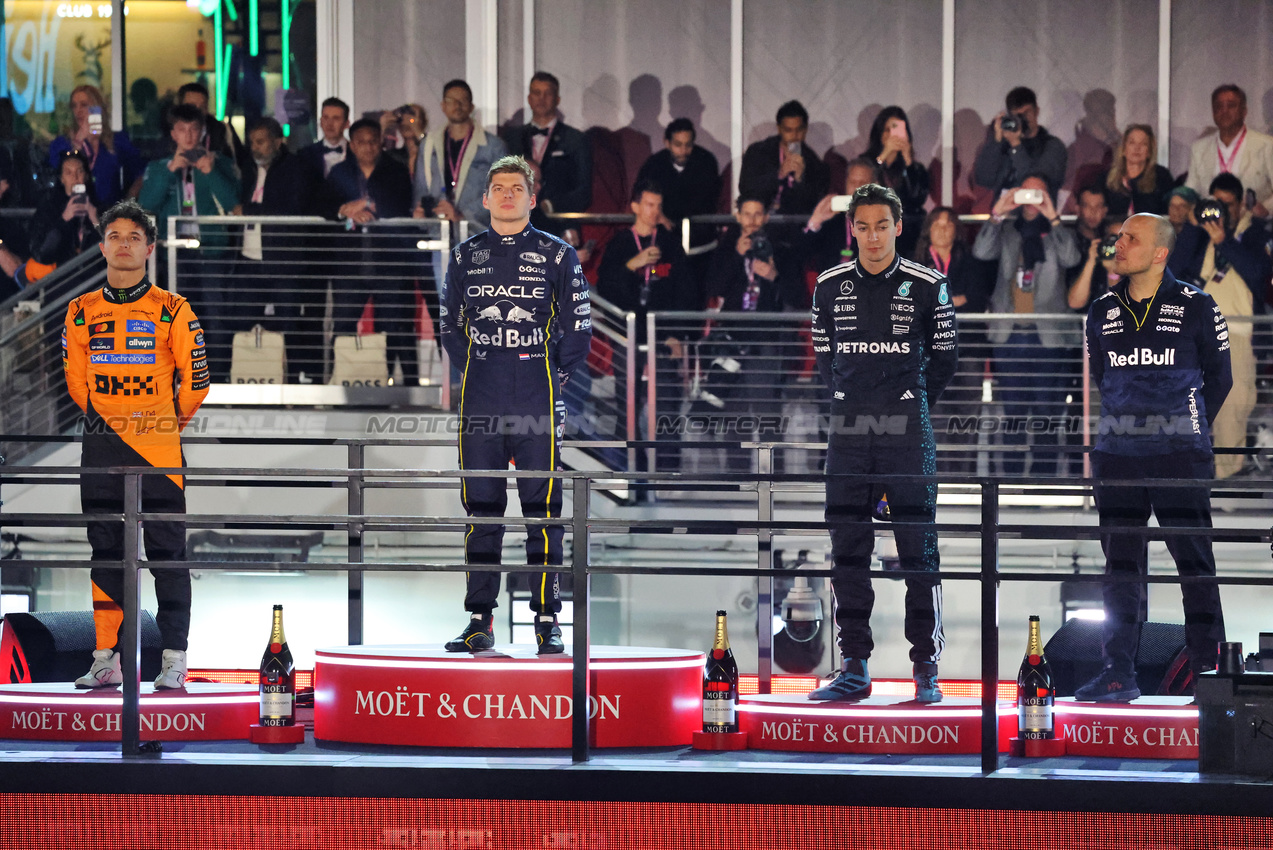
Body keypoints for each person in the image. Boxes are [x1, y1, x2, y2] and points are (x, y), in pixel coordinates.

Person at [808, 183, 957, 703]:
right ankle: (854, 666)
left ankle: (926, 670)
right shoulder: (828, 286)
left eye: (882, 226)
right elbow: (825, 362)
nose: (872, 237)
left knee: (920, 554)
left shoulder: (927, 284)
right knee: (847, 553)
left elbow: (945, 362)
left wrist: (908, 405)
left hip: (907, 438)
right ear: (853, 230)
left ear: (898, 227)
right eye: (863, 227)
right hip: (848, 437)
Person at [1075, 213, 1232, 702]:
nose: (1118, 244)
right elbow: (1104, 377)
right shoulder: (1101, 309)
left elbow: (1220, 379)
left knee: (1195, 567)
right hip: (1117, 457)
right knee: (1119, 570)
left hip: (1179, 456)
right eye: (1119, 237)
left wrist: (1181, 425)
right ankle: (1118, 673)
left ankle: (1210, 676)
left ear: (1160, 252)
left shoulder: (1198, 304)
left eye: (1130, 238)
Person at [438, 155, 590, 654]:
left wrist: (549, 377)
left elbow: (579, 330)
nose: (506, 195)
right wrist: (477, 368)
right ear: (484, 199)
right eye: (498, 188)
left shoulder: (558, 254)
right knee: (481, 510)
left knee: (543, 511)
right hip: (480, 393)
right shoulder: (463, 256)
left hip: (537, 394)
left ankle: (547, 620)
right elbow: (449, 327)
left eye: (515, 188)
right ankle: (479, 620)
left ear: (531, 197)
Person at [62, 199, 211, 689]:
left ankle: (174, 659)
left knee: (168, 553)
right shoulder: (80, 311)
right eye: (114, 237)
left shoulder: (174, 308)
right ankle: (105, 659)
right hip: (101, 445)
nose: (123, 245)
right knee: (105, 552)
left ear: (149, 247)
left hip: (160, 447)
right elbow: (77, 385)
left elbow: (197, 382)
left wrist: (161, 423)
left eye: (133, 237)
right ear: (101, 246)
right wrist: (114, 421)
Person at [973, 174, 1082, 476]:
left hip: (1047, 336)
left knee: (1048, 412)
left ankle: (1043, 481)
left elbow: (1072, 258)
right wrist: (998, 212)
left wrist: (1054, 218)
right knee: (1013, 414)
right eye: (1026, 194)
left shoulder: (1058, 232)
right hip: (1009, 335)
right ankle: (1009, 481)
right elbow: (981, 251)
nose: (1032, 201)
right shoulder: (1006, 230)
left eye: (1039, 195)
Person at [138, 103, 239, 381]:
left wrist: (211, 172)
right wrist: (172, 169)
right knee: (176, 321)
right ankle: (177, 380)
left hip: (212, 251)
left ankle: (217, 382)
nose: (189, 136)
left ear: (203, 131)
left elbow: (234, 204)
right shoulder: (159, 167)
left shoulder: (220, 163)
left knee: (215, 319)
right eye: (182, 130)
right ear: (173, 134)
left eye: (194, 129)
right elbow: (146, 206)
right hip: (173, 253)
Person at [598, 181, 694, 472]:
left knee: (667, 400)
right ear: (636, 207)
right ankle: (628, 468)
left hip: (664, 337)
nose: (654, 212)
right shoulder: (620, 243)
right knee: (627, 402)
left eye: (658, 206)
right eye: (649, 205)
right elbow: (606, 288)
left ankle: (668, 469)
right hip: (628, 336)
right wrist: (632, 264)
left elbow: (686, 292)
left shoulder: (669, 243)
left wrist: (677, 335)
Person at [322, 117, 417, 385]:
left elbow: (401, 205)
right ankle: (340, 381)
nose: (368, 147)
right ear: (351, 145)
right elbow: (323, 206)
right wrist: (344, 209)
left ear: (381, 143)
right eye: (361, 142)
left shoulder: (396, 171)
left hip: (389, 261)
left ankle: (401, 384)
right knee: (342, 324)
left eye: (373, 141)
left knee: (395, 326)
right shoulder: (339, 172)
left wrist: (370, 206)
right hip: (349, 263)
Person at [237, 117, 322, 381]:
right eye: (252, 142)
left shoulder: (296, 167)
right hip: (250, 258)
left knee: (290, 322)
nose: (255, 147)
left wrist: (248, 211)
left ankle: (297, 379)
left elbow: (291, 206)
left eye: (261, 142)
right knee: (245, 320)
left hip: (284, 260)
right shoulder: (248, 169)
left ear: (277, 141)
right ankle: (251, 376)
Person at [1198, 173, 1271, 478]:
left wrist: (1224, 241)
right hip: (1193, 332)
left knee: (1232, 408)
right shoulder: (1199, 231)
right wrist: (1193, 227)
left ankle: (1226, 493)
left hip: (1236, 332)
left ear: (1242, 204)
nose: (1223, 212)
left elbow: (1259, 276)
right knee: (1189, 411)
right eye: (1217, 205)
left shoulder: (1255, 235)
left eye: (1228, 205)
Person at [914, 206, 997, 475]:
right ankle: (939, 478)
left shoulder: (970, 260)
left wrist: (938, 303)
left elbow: (976, 298)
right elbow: (914, 305)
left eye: (948, 224)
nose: (942, 229)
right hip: (930, 352)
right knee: (935, 415)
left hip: (968, 349)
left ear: (956, 230)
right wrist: (954, 300)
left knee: (967, 417)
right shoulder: (915, 263)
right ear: (928, 230)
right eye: (936, 224)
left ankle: (965, 477)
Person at [633, 117, 722, 295]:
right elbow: (637, 197)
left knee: (697, 296)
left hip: (700, 246)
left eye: (688, 145)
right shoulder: (654, 165)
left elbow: (708, 201)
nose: (683, 151)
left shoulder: (706, 161)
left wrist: (670, 214)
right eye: (678, 145)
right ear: (667, 143)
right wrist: (658, 215)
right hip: (664, 247)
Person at [414, 80, 509, 234]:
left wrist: (463, 214)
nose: (457, 105)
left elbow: (501, 192)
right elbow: (421, 188)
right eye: (451, 101)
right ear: (443, 106)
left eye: (463, 100)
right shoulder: (428, 144)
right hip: (438, 233)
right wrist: (422, 212)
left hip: (477, 233)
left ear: (471, 107)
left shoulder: (493, 146)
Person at [503, 72, 592, 218]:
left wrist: (551, 205)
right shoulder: (512, 138)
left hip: (559, 221)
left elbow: (583, 191)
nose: (541, 99)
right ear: (529, 99)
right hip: (518, 222)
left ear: (557, 99)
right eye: (537, 93)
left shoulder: (575, 139)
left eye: (547, 93)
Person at [47, 84, 146, 208]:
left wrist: (127, 202)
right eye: (74, 106)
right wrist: (78, 143)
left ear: (96, 109)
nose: (79, 110)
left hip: (109, 212)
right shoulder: (62, 143)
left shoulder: (116, 140)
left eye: (84, 105)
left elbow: (141, 173)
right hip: (74, 211)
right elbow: (58, 173)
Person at [1186, 85, 1273, 218]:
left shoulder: (1266, 145)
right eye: (1218, 106)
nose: (1224, 111)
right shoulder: (1199, 148)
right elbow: (1190, 192)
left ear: (1244, 111)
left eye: (1231, 105)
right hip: (1210, 225)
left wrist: (1265, 210)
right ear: (1213, 112)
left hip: (1252, 226)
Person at [738, 100, 830, 218]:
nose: (794, 135)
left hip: (793, 226)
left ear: (805, 129)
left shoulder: (815, 163)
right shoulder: (758, 152)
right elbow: (746, 187)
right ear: (779, 128)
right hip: (758, 220)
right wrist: (779, 175)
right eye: (788, 130)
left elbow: (815, 203)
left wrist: (799, 180)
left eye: (799, 129)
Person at [973, 86, 1067, 199]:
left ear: (1037, 111)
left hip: (1038, 213)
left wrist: (1016, 146)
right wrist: (996, 141)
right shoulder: (1004, 145)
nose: (1023, 120)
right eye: (1017, 116)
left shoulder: (1052, 146)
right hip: (1004, 213)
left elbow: (1036, 186)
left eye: (1027, 113)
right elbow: (983, 179)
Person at [863, 106, 931, 258]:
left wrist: (908, 160)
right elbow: (865, 186)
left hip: (907, 234)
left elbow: (918, 197)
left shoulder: (915, 168)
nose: (892, 135)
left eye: (897, 129)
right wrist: (884, 155)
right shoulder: (866, 163)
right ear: (879, 133)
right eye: (887, 129)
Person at [27, 150, 103, 276]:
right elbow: (41, 254)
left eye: (79, 171)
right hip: (63, 282)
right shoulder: (49, 209)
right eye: (69, 173)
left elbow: (114, 253)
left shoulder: (100, 209)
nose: (75, 177)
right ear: (62, 179)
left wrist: (95, 220)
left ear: (86, 176)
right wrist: (63, 220)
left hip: (94, 282)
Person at [801, 157, 880, 274]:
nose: (856, 188)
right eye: (852, 182)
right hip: (832, 285)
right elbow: (803, 254)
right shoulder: (832, 217)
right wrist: (815, 221)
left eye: (862, 183)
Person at [176, 82, 251, 178]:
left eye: (203, 107)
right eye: (192, 106)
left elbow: (240, 165)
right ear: (180, 107)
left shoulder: (222, 130)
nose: (198, 111)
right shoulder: (170, 132)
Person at [1103, 125, 1174, 217]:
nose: (1137, 148)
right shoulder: (1107, 178)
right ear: (1124, 149)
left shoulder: (1161, 176)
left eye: (1143, 144)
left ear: (1149, 152)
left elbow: (1168, 214)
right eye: (1132, 143)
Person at [298, 97, 352, 179]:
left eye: (336, 118)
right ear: (321, 122)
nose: (330, 124)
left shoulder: (357, 153)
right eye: (326, 118)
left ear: (346, 124)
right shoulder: (305, 155)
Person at [1165, 186, 1208, 283]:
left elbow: (1177, 266)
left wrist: (1192, 226)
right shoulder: (1160, 229)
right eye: (1172, 205)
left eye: (1182, 206)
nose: (1176, 210)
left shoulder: (1201, 234)